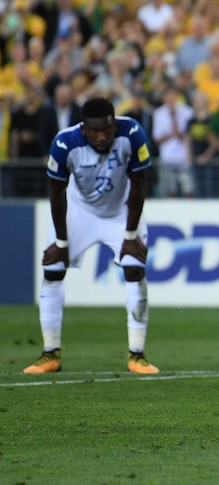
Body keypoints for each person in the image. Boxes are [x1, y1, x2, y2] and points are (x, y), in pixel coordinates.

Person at [23, 97, 159, 375]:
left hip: (120, 211)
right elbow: (56, 193)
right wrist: (61, 242)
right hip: (79, 211)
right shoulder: (64, 143)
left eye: (107, 130)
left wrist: (131, 234)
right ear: (83, 129)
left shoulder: (131, 133)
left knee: (135, 269)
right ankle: (50, 354)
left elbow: (140, 185)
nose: (101, 136)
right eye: (95, 131)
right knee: (52, 270)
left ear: (114, 125)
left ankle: (137, 355)